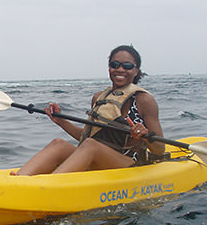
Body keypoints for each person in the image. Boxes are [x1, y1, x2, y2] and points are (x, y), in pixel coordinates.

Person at [13, 45, 165, 175]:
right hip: (98, 158)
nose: (120, 69)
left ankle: (48, 187)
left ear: (136, 71)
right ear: (109, 67)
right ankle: (19, 180)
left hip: (130, 165)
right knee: (59, 144)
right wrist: (61, 122)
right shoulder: (99, 98)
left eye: (127, 66)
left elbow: (159, 149)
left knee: (91, 146)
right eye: (115, 64)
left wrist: (145, 135)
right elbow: (88, 138)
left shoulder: (144, 100)